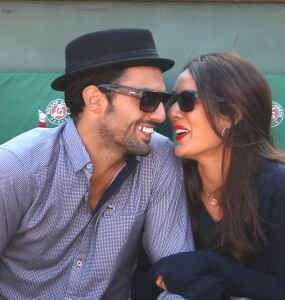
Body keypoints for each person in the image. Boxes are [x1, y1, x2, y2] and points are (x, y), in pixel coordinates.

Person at [0, 28, 195, 299]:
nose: (162, 114)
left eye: (163, 99)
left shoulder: (159, 160)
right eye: (148, 99)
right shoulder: (17, 168)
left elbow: (177, 274)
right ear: (95, 100)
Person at [134, 53, 285, 300]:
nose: (173, 112)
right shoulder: (171, 181)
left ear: (232, 114)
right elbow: (149, 282)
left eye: (187, 100)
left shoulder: (284, 189)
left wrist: (208, 265)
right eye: (173, 100)